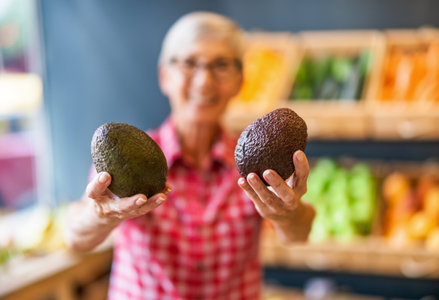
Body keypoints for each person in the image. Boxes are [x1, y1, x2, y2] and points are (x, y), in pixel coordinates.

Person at [64, 11, 315, 300]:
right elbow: (76, 236)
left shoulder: (254, 162)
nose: (204, 80)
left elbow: (299, 233)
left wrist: (288, 213)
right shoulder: (129, 158)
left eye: (220, 65)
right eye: (189, 63)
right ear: (164, 76)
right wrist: (100, 215)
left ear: (239, 80)